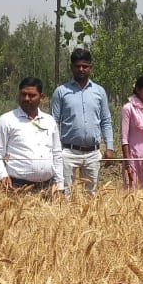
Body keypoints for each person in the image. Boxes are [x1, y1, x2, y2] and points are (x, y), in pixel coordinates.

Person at [51, 48, 114, 196]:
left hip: (93, 153)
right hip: (68, 152)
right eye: (77, 66)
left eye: (85, 66)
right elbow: (53, 123)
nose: (81, 69)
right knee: (65, 195)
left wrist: (110, 147)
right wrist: (55, 150)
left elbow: (105, 121)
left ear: (91, 68)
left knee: (91, 196)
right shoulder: (61, 92)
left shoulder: (99, 92)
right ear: (71, 67)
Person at [0, 77, 65, 195]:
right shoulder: (6, 120)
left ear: (42, 97)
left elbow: (56, 154)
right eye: (23, 94)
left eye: (31, 95)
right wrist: (3, 175)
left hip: (47, 187)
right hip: (17, 187)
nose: (26, 98)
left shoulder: (49, 121)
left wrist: (59, 184)